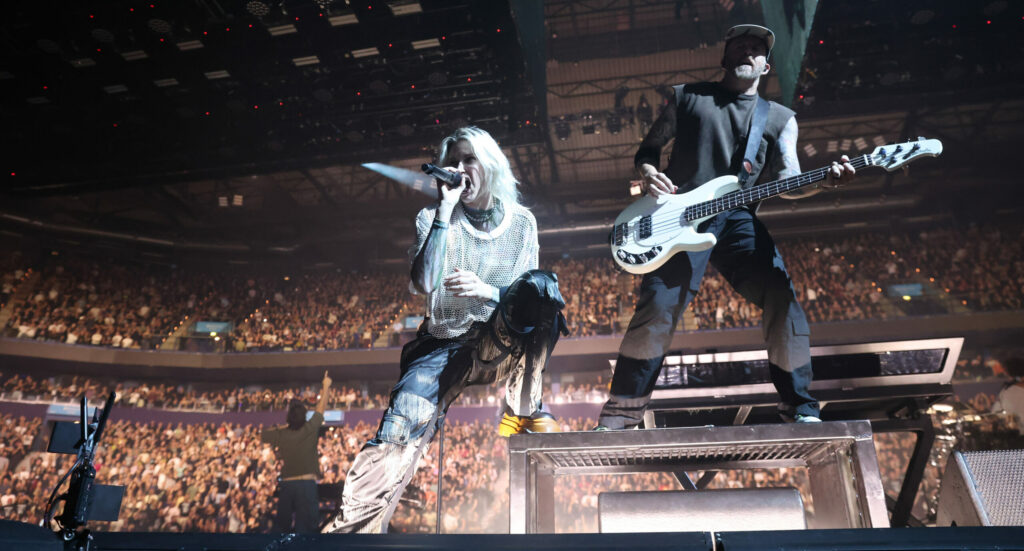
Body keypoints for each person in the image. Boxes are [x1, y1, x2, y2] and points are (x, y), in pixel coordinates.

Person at [596, 24, 856, 430]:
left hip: (736, 218)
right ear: (724, 58)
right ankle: (621, 414)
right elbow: (648, 150)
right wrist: (648, 174)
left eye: (756, 48)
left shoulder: (780, 119)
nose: (747, 51)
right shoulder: (688, 97)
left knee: (781, 296)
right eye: (739, 45)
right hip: (676, 216)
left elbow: (790, 182)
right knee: (657, 309)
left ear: (766, 66)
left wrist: (822, 182)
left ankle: (800, 408)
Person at [324, 126, 567, 534]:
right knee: (402, 426)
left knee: (545, 287)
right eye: (452, 161)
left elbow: (530, 295)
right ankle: (352, 534)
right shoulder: (432, 217)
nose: (459, 168)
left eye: (468, 159)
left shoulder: (523, 223)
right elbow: (424, 282)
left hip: (499, 337)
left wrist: (487, 290)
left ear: (489, 164)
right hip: (443, 343)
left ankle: (523, 406)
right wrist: (443, 210)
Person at [260, 371, 331, 533]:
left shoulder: (282, 433)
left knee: (281, 529)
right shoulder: (309, 428)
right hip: (306, 485)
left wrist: (285, 426)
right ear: (305, 416)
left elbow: (263, 434)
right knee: (306, 529)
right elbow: (321, 408)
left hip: (286, 484)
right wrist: (326, 386)